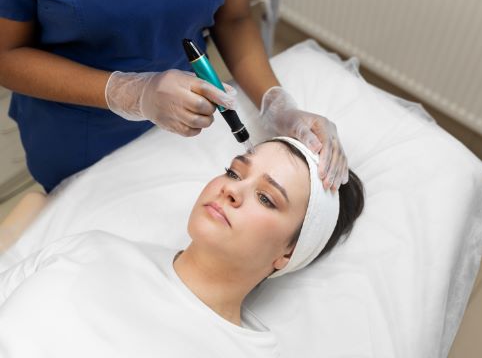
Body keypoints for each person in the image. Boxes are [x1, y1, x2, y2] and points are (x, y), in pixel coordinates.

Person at [0, 0, 348, 193]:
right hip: (76, 130)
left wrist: (275, 104)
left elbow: (234, 18)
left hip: (187, 124)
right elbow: (6, 56)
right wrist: (128, 92)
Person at [0, 137, 364, 357]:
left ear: (287, 253)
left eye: (267, 198)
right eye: (235, 172)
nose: (232, 189)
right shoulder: (94, 247)